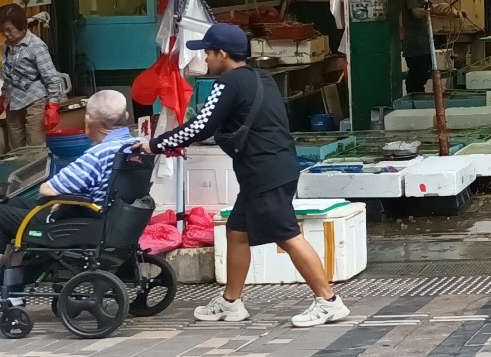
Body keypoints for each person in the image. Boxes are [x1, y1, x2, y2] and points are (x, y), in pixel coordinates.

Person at [143, 22, 349, 328]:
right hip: (273, 167)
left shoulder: (227, 84)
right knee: (237, 232)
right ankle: (231, 302)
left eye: (208, 54)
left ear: (222, 53)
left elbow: (202, 126)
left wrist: (155, 144)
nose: (206, 60)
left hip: (264, 172)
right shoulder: (260, 78)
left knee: (288, 235)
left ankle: (329, 301)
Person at [0, 89, 135, 317]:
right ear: (125, 117)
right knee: (16, 205)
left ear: (88, 120)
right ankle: (12, 289)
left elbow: (48, 188)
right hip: (110, 216)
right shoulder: (135, 145)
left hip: (80, 220)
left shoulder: (98, 153)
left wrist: (59, 198)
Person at [0, 4, 69, 151]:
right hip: (13, 102)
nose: (6, 34)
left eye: (9, 30)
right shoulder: (5, 47)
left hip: (34, 100)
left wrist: (53, 106)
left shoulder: (36, 46)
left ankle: (38, 173)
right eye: (2, 31)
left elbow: (51, 77)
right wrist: (2, 100)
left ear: (21, 26)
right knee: (15, 148)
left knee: (35, 146)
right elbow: (8, 75)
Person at [395, 0, 434, 95]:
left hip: (423, 43)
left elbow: (431, 6)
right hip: (414, 45)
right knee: (418, 74)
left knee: (425, 72)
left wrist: (452, 11)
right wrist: (429, 10)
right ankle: (413, 98)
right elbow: (417, 13)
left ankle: (418, 95)